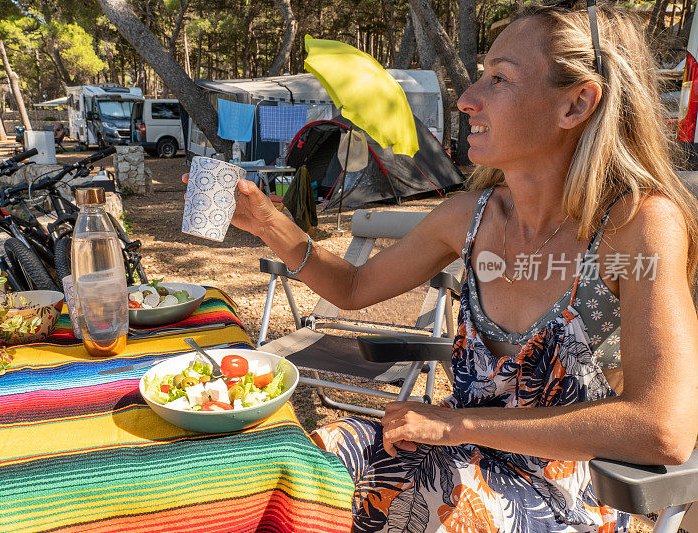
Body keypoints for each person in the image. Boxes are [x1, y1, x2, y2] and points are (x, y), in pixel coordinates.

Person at [184, 2, 698, 530]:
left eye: (498, 79)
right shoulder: (468, 217)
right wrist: (269, 223)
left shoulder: (637, 224)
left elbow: (663, 426)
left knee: (440, 503)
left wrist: (458, 425)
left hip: (562, 490)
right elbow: (354, 286)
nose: (468, 99)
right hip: (454, 455)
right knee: (295, 466)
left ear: (575, 105)